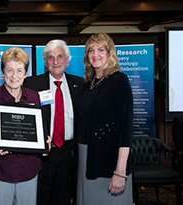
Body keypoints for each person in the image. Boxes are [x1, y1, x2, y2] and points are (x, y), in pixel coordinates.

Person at [0, 47, 50, 205]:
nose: (14, 76)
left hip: (29, 171)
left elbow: (40, 130)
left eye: (20, 70)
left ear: (26, 73)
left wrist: (45, 143)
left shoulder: (34, 96)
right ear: (2, 72)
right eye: (10, 70)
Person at [23, 40, 85, 205]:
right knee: (41, 197)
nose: (56, 62)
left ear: (68, 59)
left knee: (64, 197)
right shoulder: (32, 84)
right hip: (43, 153)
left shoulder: (80, 84)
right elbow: (26, 118)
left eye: (60, 56)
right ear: (45, 61)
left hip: (68, 152)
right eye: (50, 58)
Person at [74, 33, 133, 204]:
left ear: (109, 53)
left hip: (109, 160)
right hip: (86, 156)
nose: (95, 54)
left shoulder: (119, 81)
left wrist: (120, 171)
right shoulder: (89, 83)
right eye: (91, 50)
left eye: (101, 49)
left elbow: (126, 128)